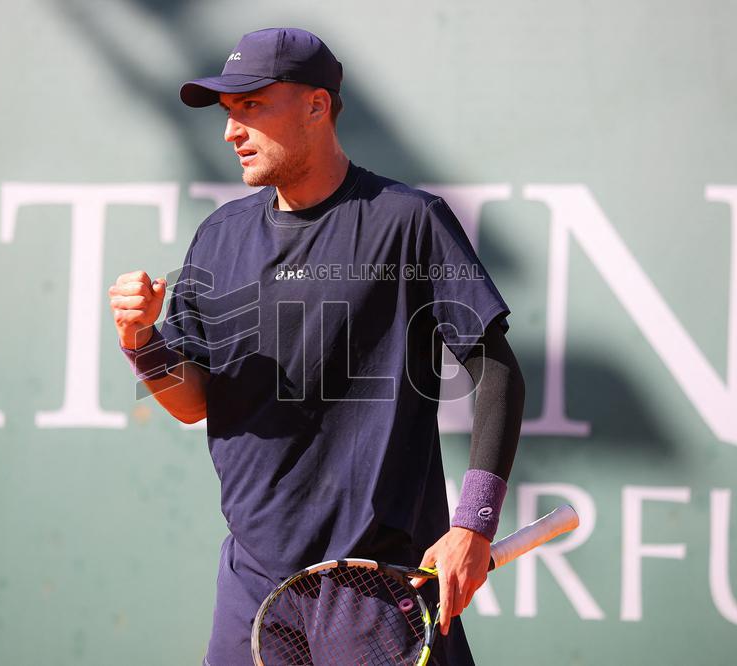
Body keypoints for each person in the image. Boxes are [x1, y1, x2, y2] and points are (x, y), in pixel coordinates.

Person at [109, 27, 525, 666]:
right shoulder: (219, 238)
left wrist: (472, 522)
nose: (231, 132)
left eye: (251, 107)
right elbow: (194, 403)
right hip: (252, 583)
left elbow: (496, 371)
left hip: (375, 588)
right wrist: (142, 341)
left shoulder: (408, 220)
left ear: (316, 105)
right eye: (228, 113)